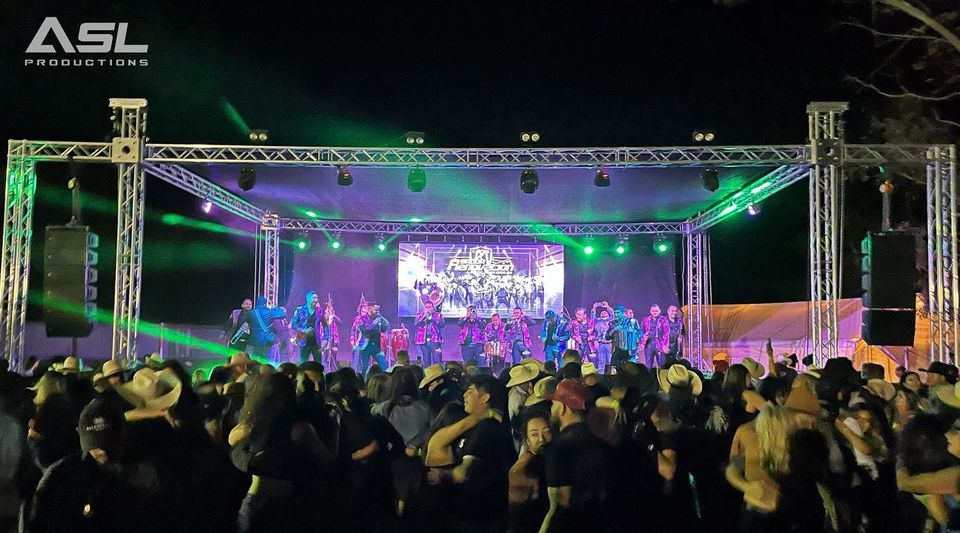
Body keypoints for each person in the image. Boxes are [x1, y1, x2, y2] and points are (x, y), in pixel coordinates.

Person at [541, 379, 608, 532]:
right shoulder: (599, 439)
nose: (551, 408)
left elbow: (559, 505)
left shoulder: (559, 447)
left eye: (554, 404)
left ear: (563, 408)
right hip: (599, 521)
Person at [509, 411, 554, 533]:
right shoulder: (525, 467)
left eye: (546, 431)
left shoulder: (551, 461)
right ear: (527, 441)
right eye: (534, 434)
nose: (541, 439)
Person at [357, 304, 390, 377]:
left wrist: (381, 319)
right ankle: (361, 382)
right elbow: (365, 331)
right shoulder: (361, 319)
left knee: (384, 365)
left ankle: (386, 381)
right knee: (364, 367)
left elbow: (384, 329)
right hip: (365, 347)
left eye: (376, 309)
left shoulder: (377, 318)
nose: (376, 310)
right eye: (374, 309)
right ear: (370, 309)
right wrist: (374, 323)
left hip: (376, 347)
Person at [291, 291, 322, 364]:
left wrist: (325, 339)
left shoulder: (320, 310)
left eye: (317, 298)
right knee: (303, 362)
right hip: (304, 340)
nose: (316, 300)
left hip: (316, 341)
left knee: (318, 363)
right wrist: (304, 330)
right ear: (308, 299)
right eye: (314, 298)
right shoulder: (299, 310)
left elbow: (325, 325)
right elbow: (294, 323)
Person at [414, 300, 444, 367]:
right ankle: (427, 376)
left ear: (433, 308)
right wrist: (423, 316)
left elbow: (442, 324)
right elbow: (416, 324)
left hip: (435, 340)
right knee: (426, 361)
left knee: (437, 360)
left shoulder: (438, 315)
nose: (428, 309)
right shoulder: (420, 315)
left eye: (430, 307)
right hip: (423, 341)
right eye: (426, 307)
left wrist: (433, 318)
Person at [640, 304, 669, 369]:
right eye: (653, 311)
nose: (654, 312)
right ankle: (649, 378)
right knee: (648, 364)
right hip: (649, 344)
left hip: (660, 344)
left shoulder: (663, 320)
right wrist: (643, 341)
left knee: (661, 364)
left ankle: (660, 378)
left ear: (659, 311)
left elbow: (666, 333)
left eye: (656, 311)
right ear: (650, 311)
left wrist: (665, 345)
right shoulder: (645, 320)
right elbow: (641, 331)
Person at [589, 301, 614, 370]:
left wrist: (607, 307)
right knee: (601, 360)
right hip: (600, 343)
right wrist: (594, 308)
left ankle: (610, 374)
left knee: (609, 360)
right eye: (602, 312)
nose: (603, 312)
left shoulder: (610, 320)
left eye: (605, 312)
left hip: (609, 343)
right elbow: (592, 318)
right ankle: (601, 376)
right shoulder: (598, 321)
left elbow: (613, 315)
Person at [318, 298, 341, 371]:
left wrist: (334, 316)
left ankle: (332, 370)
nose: (329, 311)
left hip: (334, 340)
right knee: (324, 356)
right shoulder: (322, 318)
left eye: (331, 310)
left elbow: (340, 323)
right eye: (328, 310)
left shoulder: (333, 318)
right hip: (324, 339)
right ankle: (325, 371)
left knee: (333, 356)